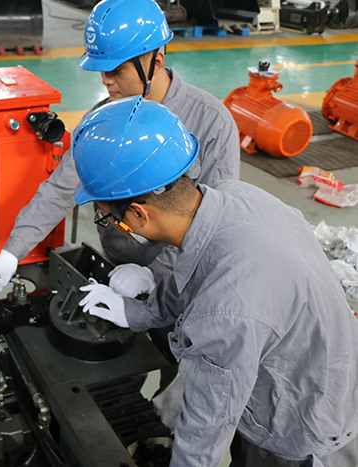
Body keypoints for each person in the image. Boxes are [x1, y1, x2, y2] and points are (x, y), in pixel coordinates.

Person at [75, 96, 358, 466]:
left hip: (302, 432)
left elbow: (203, 438)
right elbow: (195, 276)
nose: (110, 227)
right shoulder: (234, 198)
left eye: (106, 217)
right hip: (324, 378)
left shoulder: (227, 313)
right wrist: (135, 312)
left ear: (139, 214)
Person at [0, 0, 240, 300]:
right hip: (115, 264)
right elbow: (59, 190)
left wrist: (156, 274)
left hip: (181, 279)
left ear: (157, 60)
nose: (105, 80)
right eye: (101, 70)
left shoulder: (211, 122)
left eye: (117, 69)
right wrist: (12, 251)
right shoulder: (104, 120)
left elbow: (215, 222)